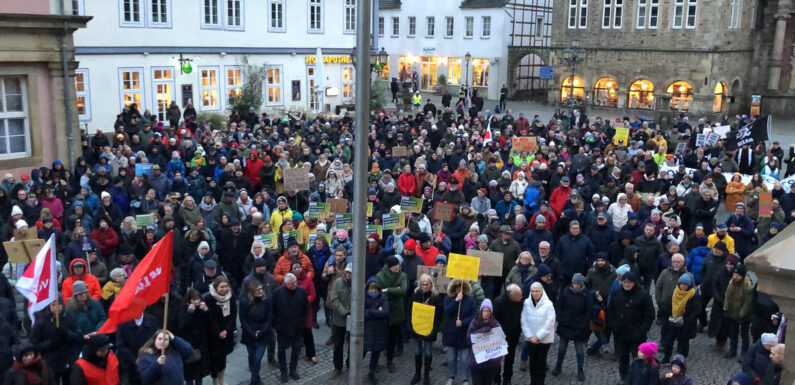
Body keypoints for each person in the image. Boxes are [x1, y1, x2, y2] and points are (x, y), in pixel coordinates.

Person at [609, 272, 655, 381]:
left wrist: (643, 329)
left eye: (629, 282)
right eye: (624, 282)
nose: (626, 284)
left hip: (637, 334)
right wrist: (614, 325)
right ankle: (624, 378)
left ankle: (637, 379)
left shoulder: (643, 295)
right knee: (623, 358)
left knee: (638, 358)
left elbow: (650, 314)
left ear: (634, 283)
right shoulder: (617, 293)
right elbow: (610, 311)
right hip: (621, 333)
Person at [29, 298, 83, 385]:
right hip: (50, 361)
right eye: (53, 305)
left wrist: (66, 334)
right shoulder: (42, 321)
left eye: (59, 304)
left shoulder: (70, 317)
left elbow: (79, 336)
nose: (56, 307)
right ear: (49, 306)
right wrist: (51, 343)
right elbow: (34, 344)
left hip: (69, 358)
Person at [550, 273, 589, 381]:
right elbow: (559, 306)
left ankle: (580, 369)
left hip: (578, 327)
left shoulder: (586, 295)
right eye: (574, 283)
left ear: (581, 284)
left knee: (579, 351)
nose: (576, 285)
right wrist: (560, 318)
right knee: (562, 348)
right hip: (565, 325)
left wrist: (583, 325)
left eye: (578, 284)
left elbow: (588, 313)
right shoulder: (566, 292)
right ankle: (558, 365)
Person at [272, 272, 308, 383]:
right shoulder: (277, 293)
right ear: (285, 283)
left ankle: (293, 370)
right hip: (282, 329)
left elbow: (305, 309)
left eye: (295, 282)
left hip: (297, 328)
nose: (295, 285)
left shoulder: (301, 292)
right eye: (292, 283)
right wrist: (277, 326)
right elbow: (273, 311)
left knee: (296, 350)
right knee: (281, 351)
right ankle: (283, 371)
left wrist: (302, 324)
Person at [375, 255, 407, 373]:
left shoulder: (402, 275)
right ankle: (375, 363)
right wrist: (395, 289)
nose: (397, 267)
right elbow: (378, 292)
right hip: (384, 311)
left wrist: (387, 290)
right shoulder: (380, 276)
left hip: (397, 312)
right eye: (394, 265)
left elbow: (403, 290)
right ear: (389, 267)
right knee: (379, 338)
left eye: (398, 264)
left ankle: (390, 360)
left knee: (392, 338)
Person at [203, 276, 237, 385]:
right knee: (214, 358)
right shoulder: (209, 299)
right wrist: (218, 332)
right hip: (213, 335)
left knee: (223, 357)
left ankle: (222, 378)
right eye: (221, 287)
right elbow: (209, 319)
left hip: (226, 332)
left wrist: (227, 330)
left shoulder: (231, 297)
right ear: (216, 287)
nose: (224, 289)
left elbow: (233, 315)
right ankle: (215, 380)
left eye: (226, 286)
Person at [410, 274, 442, 385]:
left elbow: (438, 315)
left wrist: (435, 329)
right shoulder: (415, 295)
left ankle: (426, 376)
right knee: (417, 352)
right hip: (417, 328)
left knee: (428, 353)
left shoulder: (435, 297)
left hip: (429, 329)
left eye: (426, 284)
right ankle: (417, 374)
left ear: (431, 284)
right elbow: (411, 311)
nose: (424, 287)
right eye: (422, 284)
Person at [521, 281, 556, 385]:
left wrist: (538, 337)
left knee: (540, 363)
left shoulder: (548, 304)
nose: (535, 293)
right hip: (531, 339)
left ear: (542, 292)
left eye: (537, 291)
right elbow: (524, 320)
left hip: (544, 340)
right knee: (532, 362)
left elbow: (550, 323)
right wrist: (530, 336)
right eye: (532, 291)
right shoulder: (527, 303)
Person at [661, 274, 701, 363]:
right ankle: (666, 358)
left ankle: (681, 360)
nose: (683, 286)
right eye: (681, 284)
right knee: (669, 342)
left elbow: (696, 311)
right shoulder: (675, 291)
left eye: (685, 284)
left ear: (689, 285)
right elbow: (669, 305)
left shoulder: (693, 295)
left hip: (685, 324)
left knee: (683, 343)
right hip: (673, 321)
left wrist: (686, 320)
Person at [443, 279, 476, 385]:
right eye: (457, 288)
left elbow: (473, 316)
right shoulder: (448, 298)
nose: (459, 290)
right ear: (454, 288)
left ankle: (465, 379)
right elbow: (447, 310)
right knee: (451, 358)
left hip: (464, 334)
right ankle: (451, 377)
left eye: (461, 288)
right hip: (451, 333)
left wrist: (463, 322)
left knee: (465, 359)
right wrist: (455, 301)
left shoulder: (470, 299)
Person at [239, 282, 272, 385]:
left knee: (257, 358)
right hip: (249, 333)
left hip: (263, 333)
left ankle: (253, 381)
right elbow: (242, 320)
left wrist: (262, 331)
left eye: (261, 289)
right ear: (252, 292)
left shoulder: (267, 301)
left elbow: (269, 319)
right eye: (258, 290)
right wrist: (252, 333)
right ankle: (256, 377)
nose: (261, 291)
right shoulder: (245, 302)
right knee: (252, 357)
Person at [177, 289, 212, 385]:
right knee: (189, 374)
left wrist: (206, 311)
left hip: (201, 344)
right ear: (189, 300)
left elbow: (209, 324)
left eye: (198, 299)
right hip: (189, 345)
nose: (197, 302)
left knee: (199, 374)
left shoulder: (201, 309)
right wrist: (189, 313)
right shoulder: (184, 309)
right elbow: (182, 327)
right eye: (194, 300)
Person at [493, 284, 524, 385]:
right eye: (519, 296)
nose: (521, 297)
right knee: (497, 360)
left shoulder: (520, 302)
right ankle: (496, 379)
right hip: (500, 336)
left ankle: (507, 379)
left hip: (513, 336)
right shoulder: (498, 302)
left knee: (510, 359)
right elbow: (493, 321)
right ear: (511, 296)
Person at [467, 299, 503, 385]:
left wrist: (497, 360)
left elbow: (501, 343)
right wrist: (482, 331)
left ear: (491, 312)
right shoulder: (474, 323)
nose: (486, 313)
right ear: (481, 311)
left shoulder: (496, 324)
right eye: (484, 311)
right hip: (477, 363)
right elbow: (468, 339)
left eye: (488, 311)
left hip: (491, 365)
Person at [328, 263, 353, 379]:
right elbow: (334, 299)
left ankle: (350, 364)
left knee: (353, 343)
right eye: (347, 272)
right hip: (339, 320)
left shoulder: (359, 283)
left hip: (353, 319)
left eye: (351, 273)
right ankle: (338, 367)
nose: (349, 275)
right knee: (338, 345)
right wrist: (344, 311)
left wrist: (353, 311)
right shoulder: (338, 283)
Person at [363, 276, 389, 385]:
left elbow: (385, 312)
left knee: (375, 352)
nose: (373, 291)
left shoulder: (383, 297)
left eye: (375, 288)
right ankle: (355, 369)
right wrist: (376, 311)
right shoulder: (363, 297)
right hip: (366, 330)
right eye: (371, 288)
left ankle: (371, 372)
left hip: (379, 330)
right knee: (362, 350)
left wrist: (369, 311)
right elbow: (362, 315)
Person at [724, 264, 753, 358]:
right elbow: (727, 297)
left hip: (744, 315)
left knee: (744, 334)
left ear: (742, 276)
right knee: (733, 333)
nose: (735, 277)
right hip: (733, 312)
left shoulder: (747, 286)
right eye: (734, 275)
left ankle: (744, 353)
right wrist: (726, 309)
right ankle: (733, 350)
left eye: (737, 275)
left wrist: (742, 314)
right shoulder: (731, 283)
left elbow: (747, 302)